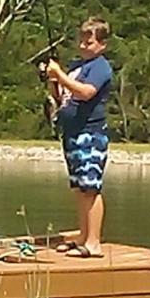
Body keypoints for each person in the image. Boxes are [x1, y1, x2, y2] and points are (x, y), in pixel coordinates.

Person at [46, 17, 113, 258]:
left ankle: (94, 243)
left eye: (90, 42)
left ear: (102, 44)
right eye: (82, 42)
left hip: (90, 133)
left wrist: (61, 74)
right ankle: (83, 237)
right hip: (72, 132)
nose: (84, 46)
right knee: (79, 187)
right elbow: (62, 94)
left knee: (90, 187)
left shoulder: (100, 67)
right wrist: (54, 80)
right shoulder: (77, 66)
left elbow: (86, 93)